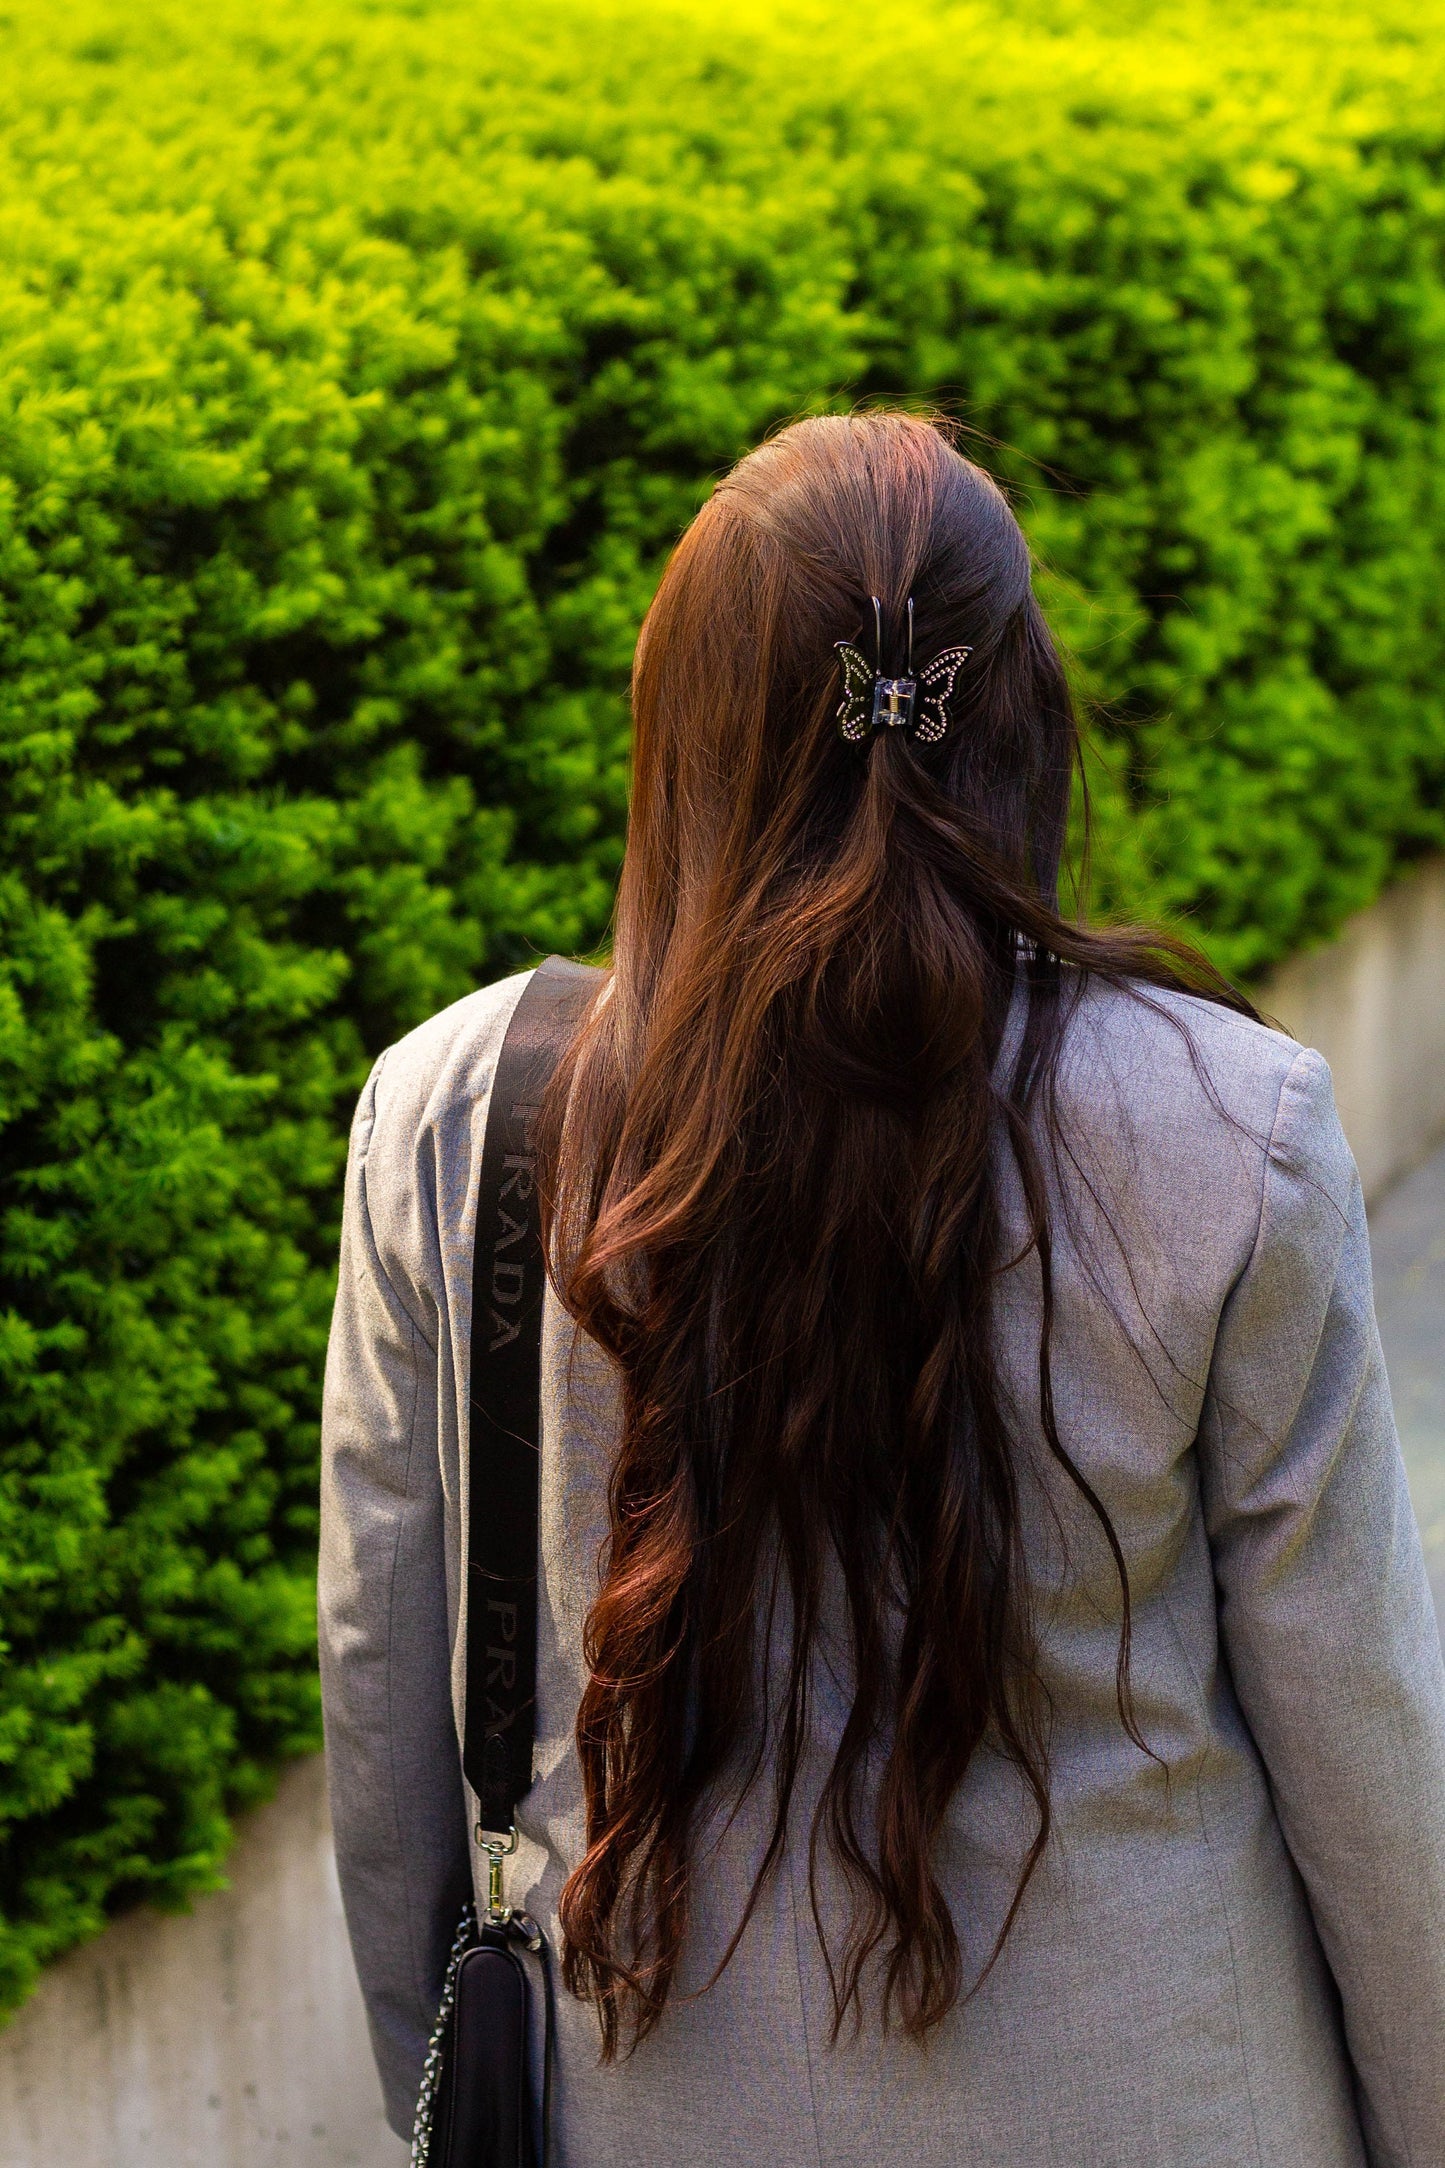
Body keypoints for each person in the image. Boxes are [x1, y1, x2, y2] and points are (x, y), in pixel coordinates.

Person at [319, 411, 1445, 2166]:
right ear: (1020, 720)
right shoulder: (1234, 1131)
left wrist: (449, 2101)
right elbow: (1365, 1754)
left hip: (647, 2109)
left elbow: (387, 1722)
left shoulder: (457, 1123)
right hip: (1164, 2100)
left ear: (677, 723)